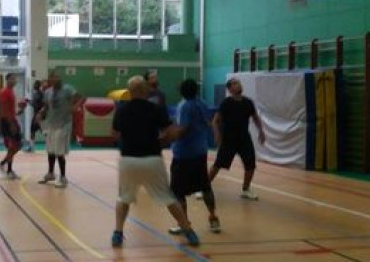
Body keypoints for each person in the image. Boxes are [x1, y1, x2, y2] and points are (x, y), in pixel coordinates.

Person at [110, 75, 199, 247]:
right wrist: (162, 140)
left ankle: (118, 233)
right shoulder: (156, 109)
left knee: (123, 198)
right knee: (168, 198)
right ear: (146, 90)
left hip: (128, 159)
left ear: (129, 91)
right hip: (152, 159)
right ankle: (188, 231)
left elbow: (114, 134)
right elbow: (170, 133)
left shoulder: (121, 109)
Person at [167, 79, 221, 234]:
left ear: (182, 91)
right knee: (205, 187)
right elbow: (208, 121)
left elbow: (183, 129)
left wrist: (169, 136)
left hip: (184, 154)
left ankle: (184, 223)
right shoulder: (202, 103)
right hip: (200, 152)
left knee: (177, 191)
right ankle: (213, 217)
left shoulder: (185, 106)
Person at [209, 77, 266, 200]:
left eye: (238, 83)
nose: (238, 85)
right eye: (235, 84)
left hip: (244, 138)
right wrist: (217, 134)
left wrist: (261, 131)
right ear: (230, 89)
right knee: (218, 164)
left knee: (250, 164)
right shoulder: (226, 103)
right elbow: (215, 121)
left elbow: (255, 118)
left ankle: (246, 190)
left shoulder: (248, 102)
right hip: (229, 139)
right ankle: (204, 188)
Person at [37, 71, 81, 188]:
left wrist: (75, 106)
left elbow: (79, 97)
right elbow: (46, 106)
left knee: (59, 152)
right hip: (51, 124)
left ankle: (63, 177)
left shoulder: (67, 89)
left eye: (57, 77)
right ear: (50, 80)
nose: (55, 79)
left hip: (63, 124)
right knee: (50, 150)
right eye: (52, 78)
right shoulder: (47, 92)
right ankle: (51, 173)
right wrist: (41, 113)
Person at [0, 73, 23, 179]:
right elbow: (3, 110)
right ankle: (9, 171)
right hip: (8, 122)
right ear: (7, 80)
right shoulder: (4, 92)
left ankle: (3, 163)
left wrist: (20, 110)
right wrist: (11, 123)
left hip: (12, 120)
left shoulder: (11, 92)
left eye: (15, 79)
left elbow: (11, 110)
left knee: (17, 145)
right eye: (13, 79)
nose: (15, 80)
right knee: (13, 146)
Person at [25, 79, 44, 152]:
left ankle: (31, 147)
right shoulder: (36, 93)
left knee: (38, 129)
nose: (34, 86)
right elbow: (34, 104)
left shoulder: (40, 94)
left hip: (39, 114)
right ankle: (31, 147)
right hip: (36, 113)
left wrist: (29, 102)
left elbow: (41, 104)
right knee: (34, 129)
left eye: (35, 84)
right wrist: (28, 102)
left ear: (38, 86)